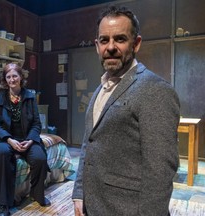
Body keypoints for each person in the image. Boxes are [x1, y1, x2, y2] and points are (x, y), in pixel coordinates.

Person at [72, 5, 180, 216]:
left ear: (136, 43)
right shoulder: (100, 90)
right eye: (104, 40)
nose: (110, 47)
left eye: (120, 39)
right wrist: (79, 193)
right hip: (93, 206)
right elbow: (88, 144)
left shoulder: (155, 90)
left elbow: (159, 172)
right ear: (97, 46)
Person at [0, 63, 51, 216]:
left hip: (26, 138)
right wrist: (9, 140)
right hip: (5, 139)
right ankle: (3, 204)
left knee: (40, 158)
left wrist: (30, 140)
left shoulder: (29, 97)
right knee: (2, 153)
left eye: (15, 76)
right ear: (5, 79)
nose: (12, 79)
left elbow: (36, 123)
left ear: (21, 77)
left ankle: (36, 194)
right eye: (8, 77)